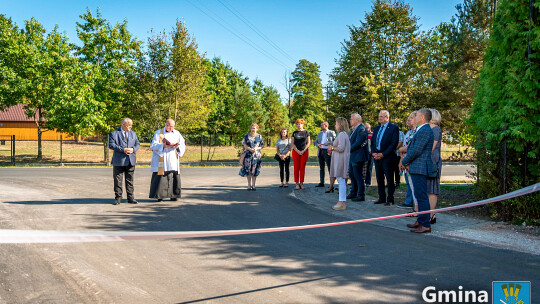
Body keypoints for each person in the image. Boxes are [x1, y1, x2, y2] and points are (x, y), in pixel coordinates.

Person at [400, 109, 434, 233]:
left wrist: (404, 161)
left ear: (423, 118)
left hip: (420, 167)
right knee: (418, 196)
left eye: (418, 115)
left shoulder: (425, 130)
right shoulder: (421, 129)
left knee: (422, 196)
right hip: (416, 167)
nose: (415, 117)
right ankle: (420, 220)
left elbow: (416, 150)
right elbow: (412, 146)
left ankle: (425, 224)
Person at [149, 119, 186, 201]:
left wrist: (177, 147)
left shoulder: (177, 133)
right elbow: (153, 145)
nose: (170, 128)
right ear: (165, 125)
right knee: (161, 176)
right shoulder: (159, 133)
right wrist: (163, 146)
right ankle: (160, 196)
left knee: (174, 176)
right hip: (163, 157)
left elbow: (182, 144)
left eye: (172, 126)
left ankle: (174, 195)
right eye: (169, 126)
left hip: (173, 157)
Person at [109, 118, 140, 205]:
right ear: (123, 125)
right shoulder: (114, 133)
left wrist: (133, 149)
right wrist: (123, 150)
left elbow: (137, 144)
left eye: (131, 125)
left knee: (130, 180)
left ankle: (131, 198)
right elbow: (111, 145)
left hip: (130, 160)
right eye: (129, 125)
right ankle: (118, 198)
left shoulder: (133, 134)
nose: (131, 127)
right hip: (119, 160)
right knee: (118, 180)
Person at [371, 110, 399, 205]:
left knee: (390, 179)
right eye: (379, 116)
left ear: (387, 117)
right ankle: (381, 197)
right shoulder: (377, 128)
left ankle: (390, 198)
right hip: (377, 156)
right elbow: (373, 142)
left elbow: (393, 143)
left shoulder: (393, 128)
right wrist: (374, 153)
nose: (379, 118)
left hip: (388, 157)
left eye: (382, 116)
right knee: (379, 178)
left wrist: (383, 154)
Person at [328, 117, 351, 211]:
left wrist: (332, 148)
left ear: (340, 124)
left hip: (340, 160)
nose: (335, 125)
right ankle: (341, 202)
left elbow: (341, 148)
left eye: (336, 123)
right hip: (340, 159)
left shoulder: (341, 134)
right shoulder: (344, 134)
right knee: (341, 180)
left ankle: (342, 202)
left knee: (341, 181)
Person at [397, 111, 417, 209]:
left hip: (413, 161)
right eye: (408, 118)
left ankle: (414, 204)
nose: (408, 120)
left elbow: (409, 147)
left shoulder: (417, 132)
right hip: (405, 161)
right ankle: (409, 201)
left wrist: (402, 149)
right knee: (408, 182)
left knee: (413, 183)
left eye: (411, 118)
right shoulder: (408, 132)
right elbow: (403, 150)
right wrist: (401, 161)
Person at [347, 113, 369, 201]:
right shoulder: (354, 129)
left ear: (357, 120)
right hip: (353, 156)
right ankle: (353, 192)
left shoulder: (361, 129)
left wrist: (348, 149)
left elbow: (358, 143)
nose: (350, 121)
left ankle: (361, 195)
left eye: (352, 119)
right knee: (352, 175)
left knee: (358, 176)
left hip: (358, 156)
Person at [427, 109, 443, 224]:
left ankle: (431, 214)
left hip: (433, 161)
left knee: (432, 189)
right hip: (427, 160)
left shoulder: (436, 130)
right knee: (427, 189)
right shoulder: (429, 129)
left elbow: (430, 148)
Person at [239, 123, 264, 190]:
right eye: (252, 128)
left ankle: (254, 185)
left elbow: (262, 146)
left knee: (255, 170)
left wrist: (256, 149)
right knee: (248, 170)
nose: (253, 129)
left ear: (257, 129)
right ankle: (249, 185)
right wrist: (250, 149)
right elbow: (244, 144)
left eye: (255, 128)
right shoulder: (246, 136)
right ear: (250, 128)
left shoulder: (259, 136)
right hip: (248, 156)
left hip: (256, 156)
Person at [315, 121, 336, 188]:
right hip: (321, 151)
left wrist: (329, 143)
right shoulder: (320, 133)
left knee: (330, 167)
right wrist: (317, 145)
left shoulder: (331, 132)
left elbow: (335, 141)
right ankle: (321, 182)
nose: (321, 126)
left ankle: (331, 184)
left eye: (322, 125)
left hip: (328, 151)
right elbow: (316, 142)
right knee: (321, 168)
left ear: (326, 126)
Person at [291, 119, 310, 190]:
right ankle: (297, 183)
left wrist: (303, 150)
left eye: (300, 124)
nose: (299, 125)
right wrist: (297, 151)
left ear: (303, 124)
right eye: (297, 124)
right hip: (296, 152)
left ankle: (301, 183)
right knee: (296, 168)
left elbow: (308, 143)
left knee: (302, 168)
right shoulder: (294, 133)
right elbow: (292, 143)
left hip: (304, 152)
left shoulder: (306, 132)